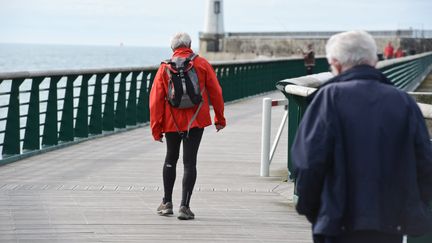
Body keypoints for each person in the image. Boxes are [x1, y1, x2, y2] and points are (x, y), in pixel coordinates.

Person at [291, 30, 432, 243]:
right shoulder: (404, 102)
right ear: (374, 61)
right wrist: (412, 209)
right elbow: (425, 164)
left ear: (336, 64)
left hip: (336, 223)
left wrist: (313, 210)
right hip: (390, 223)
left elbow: (308, 163)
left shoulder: (328, 99)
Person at [150, 32, 226, 220]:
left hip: (171, 122)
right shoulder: (201, 64)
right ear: (190, 45)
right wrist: (219, 118)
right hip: (196, 120)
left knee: (171, 158)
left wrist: (156, 128)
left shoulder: (164, 68)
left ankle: (167, 203)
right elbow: (216, 92)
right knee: (189, 162)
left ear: (172, 48)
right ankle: (185, 206)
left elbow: (155, 101)